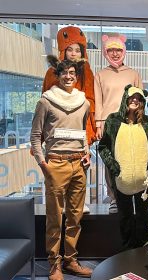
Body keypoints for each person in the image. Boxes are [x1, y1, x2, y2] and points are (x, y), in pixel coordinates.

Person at [31, 58, 92, 280]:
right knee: (54, 217)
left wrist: (86, 152)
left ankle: (70, 261)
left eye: (72, 73)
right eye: (64, 72)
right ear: (57, 75)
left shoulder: (83, 102)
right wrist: (43, 164)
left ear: (77, 76)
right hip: (55, 163)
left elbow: (83, 132)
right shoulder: (46, 101)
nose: (68, 76)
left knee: (75, 217)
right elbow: (36, 136)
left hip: (79, 165)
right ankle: (54, 264)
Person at [98, 85, 148, 251]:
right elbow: (102, 147)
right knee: (125, 218)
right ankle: (127, 252)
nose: (135, 100)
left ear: (142, 102)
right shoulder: (113, 120)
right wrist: (113, 165)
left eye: (139, 98)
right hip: (121, 179)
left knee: (143, 217)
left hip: (144, 180)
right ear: (125, 98)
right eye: (132, 97)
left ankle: (142, 252)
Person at [41, 26, 95, 214]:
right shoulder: (52, 72)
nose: (73, 53)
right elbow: (45, 99)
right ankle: (60, 203)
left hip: (79, 124)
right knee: (58, 166)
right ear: (63, 50)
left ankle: (80, 202)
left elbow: (91, 100)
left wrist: (90, 128)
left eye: (77, 49)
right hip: (57, 127)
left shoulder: (86, 70)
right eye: (70, 49)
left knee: (81, 163)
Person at [95, 34, 142, 214]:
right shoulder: (100, 75)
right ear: (106, 52)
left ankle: (132, 196)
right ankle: (114, 197)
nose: (115, 54)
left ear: (124, 52)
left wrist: (140, 122)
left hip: (130, 123)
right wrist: (99, 124)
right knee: (110, 161)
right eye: (111, 50)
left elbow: (141, 101)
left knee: (130, 159)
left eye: (118, 50)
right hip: (108, 124)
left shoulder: (133, 73)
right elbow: (98, 102)